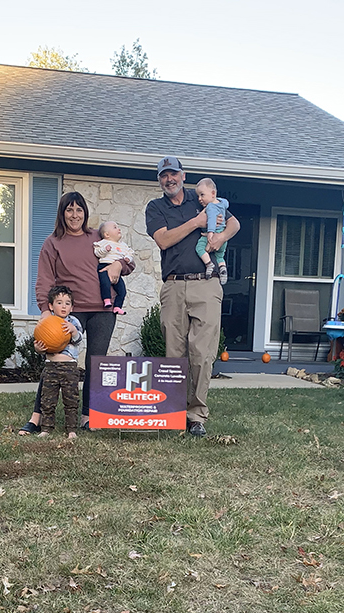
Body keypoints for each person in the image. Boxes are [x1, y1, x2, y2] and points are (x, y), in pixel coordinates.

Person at [18, 192, 135, 435]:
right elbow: (44, 280)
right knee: (57, 362)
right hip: (70, 312)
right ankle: (37, 417)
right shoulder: (53, 243)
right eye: (69, 210)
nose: (75, 215)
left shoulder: (97, 237)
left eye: (79, 210)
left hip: (103, 310)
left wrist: (118, 265)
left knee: (95, 363)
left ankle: (87, 416)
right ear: (62, 214)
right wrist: (45, 310)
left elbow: (127, 259)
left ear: (85, 213)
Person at [144, 156, 240, 437]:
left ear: (183, 176)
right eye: (163, 176)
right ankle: (174, 413)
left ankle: (196, 415)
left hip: (206, 284)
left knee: (202, 353)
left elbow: (233, 225)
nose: (169, 179)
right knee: (174, 354)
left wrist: (220, 239)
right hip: (174, 286)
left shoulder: (201, 196)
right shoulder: (156, 207)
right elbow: (163, 240)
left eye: (173, 174)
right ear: (160, 180)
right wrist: (196, 222)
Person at [33, 286, 83, 439]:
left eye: (67, 303)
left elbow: (79, 339)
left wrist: (73, 331)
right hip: (51, 367)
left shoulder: (73, 322)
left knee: (71, 399)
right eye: (59, 303)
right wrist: (38, 349)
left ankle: (71, 430)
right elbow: (41, 345)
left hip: (69, 368)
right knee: (47, 399)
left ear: (72, 307)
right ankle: (46, 428)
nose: (64, 306)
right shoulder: (46, 322)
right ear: (51, 306)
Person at [193, 178, 231, 285]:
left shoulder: (210, 207)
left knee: (199, 248)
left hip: (212, 234)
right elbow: (226, 203)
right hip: (222, 235)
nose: (200, 199)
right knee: (220, 256)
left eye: (202, 195)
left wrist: (210, 232)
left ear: (213, 193)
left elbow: (211, 220)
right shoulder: (222, 203)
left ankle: (209, 264)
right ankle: (222, 268)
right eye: (198, 196)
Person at [93, 221, 135, 315]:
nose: (119, 229)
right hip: (104, 266)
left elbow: (130, 253)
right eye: (115, 227)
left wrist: (128, 258)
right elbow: (97, 252)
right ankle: (106, 300)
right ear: (107, 234)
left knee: (122, 290)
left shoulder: (123, 245)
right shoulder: (103, 243)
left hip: (117, 271)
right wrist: (105, 249)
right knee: (105, 283)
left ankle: (117, 307)